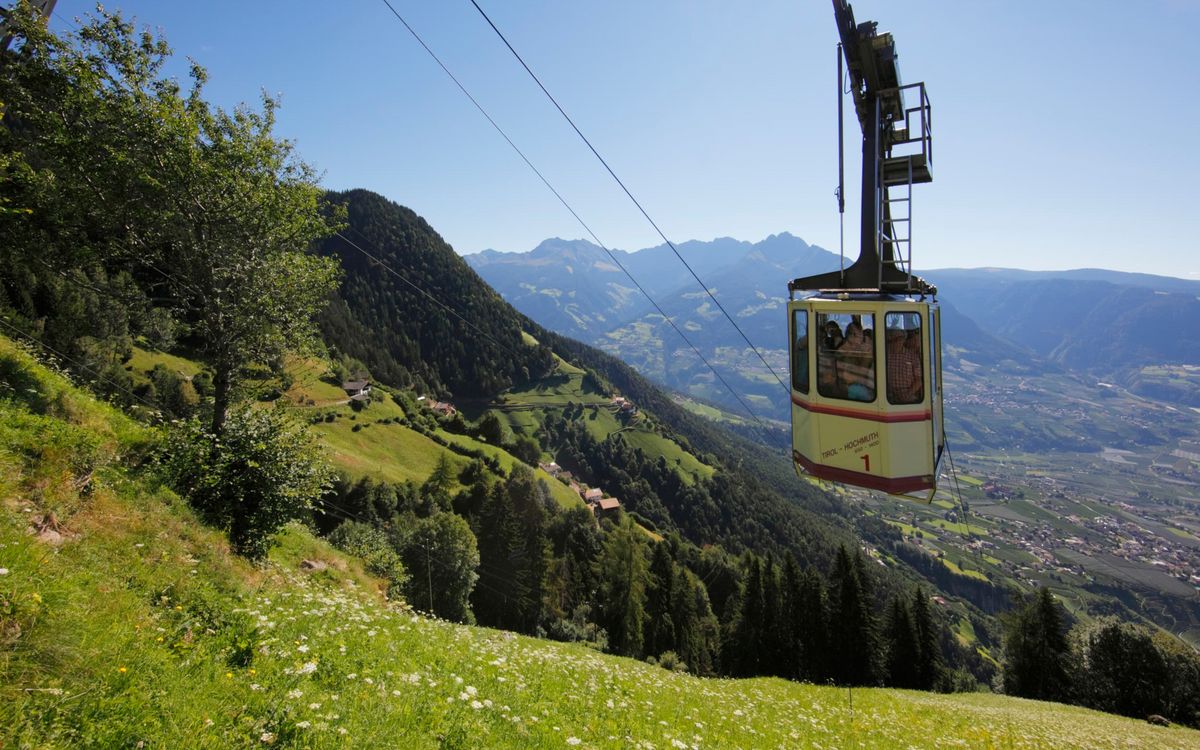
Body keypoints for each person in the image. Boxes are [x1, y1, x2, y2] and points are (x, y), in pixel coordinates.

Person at [838, 319, 875, 402]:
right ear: (851, 336)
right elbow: (854, 376)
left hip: (860, 384)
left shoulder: (858, 349)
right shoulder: (843, 350)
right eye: (859, 335)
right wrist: (866, 356)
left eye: (861, 335)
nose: (861, 339)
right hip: (851, 387)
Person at [886, 327, 923, 404]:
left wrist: (908, 394)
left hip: (907, 393)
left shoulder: (912, 356)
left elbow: (919, 379)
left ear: (903, 340)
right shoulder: (885, 355)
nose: (895, 342)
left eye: (898, 339)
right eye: (891, 340)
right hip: (887, 394)